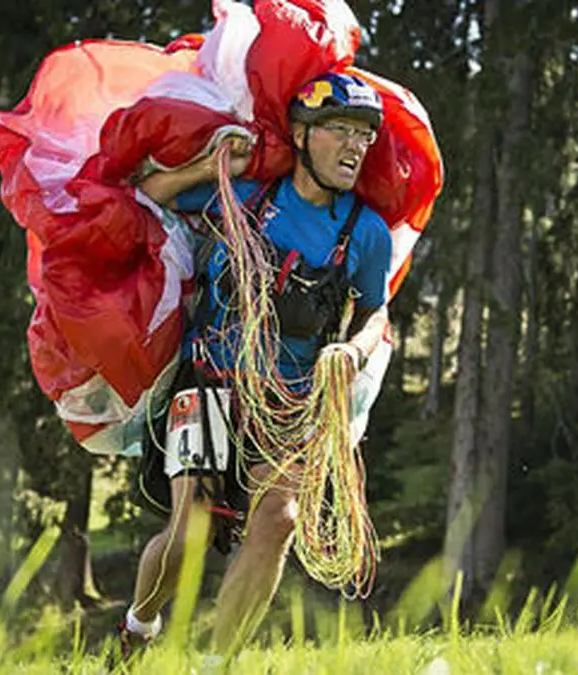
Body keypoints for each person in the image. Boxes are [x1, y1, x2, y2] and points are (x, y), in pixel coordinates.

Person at [117, 72, 392, 660]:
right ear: (299, 134)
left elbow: (376, 312)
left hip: (292, 401)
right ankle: (138, 629)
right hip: (209, 381)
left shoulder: (365, 234)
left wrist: (355, 350)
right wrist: (209, 168)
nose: (354, 146)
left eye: (364, 135)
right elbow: (151, 193)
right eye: (339, 130)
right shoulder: (246, 198)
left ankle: (216, 665)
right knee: (190, 529)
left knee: (280, 518)